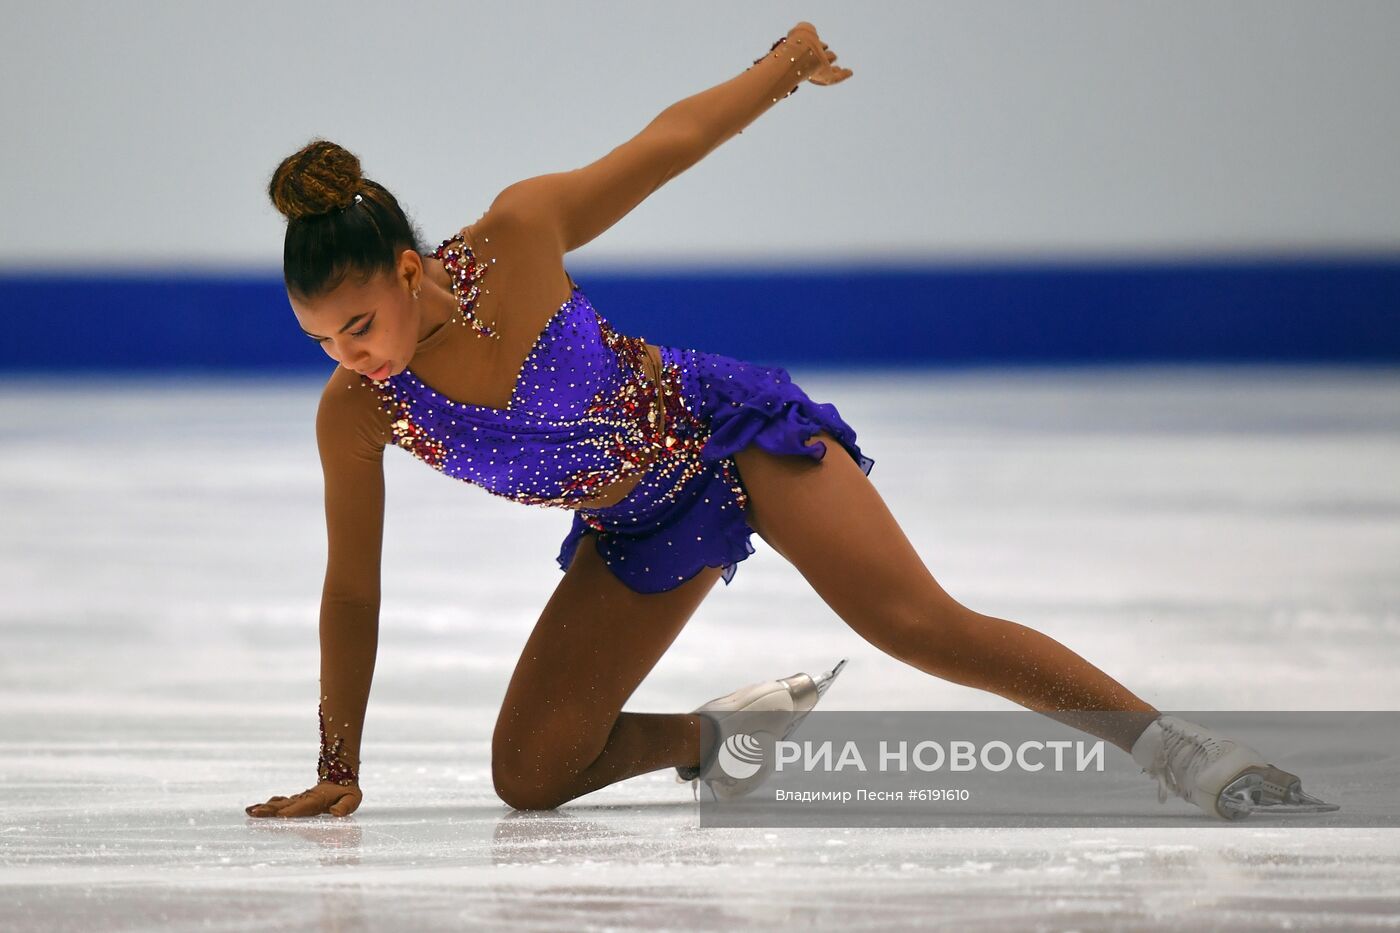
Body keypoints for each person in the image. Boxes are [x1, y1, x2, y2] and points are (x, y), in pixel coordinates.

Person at [245, 22, 1332, 822]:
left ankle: (1185, 753)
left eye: (356, 325)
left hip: (727, 435)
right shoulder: (358, 414)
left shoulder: (518, 235)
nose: (348, 356)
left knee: (916, 625)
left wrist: (779, 72)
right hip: (637, 527)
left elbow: (661, 147)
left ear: (405, 269)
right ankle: (721, 740)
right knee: (529, 774)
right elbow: (352, 587)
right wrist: (340, 763)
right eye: (321, 341)